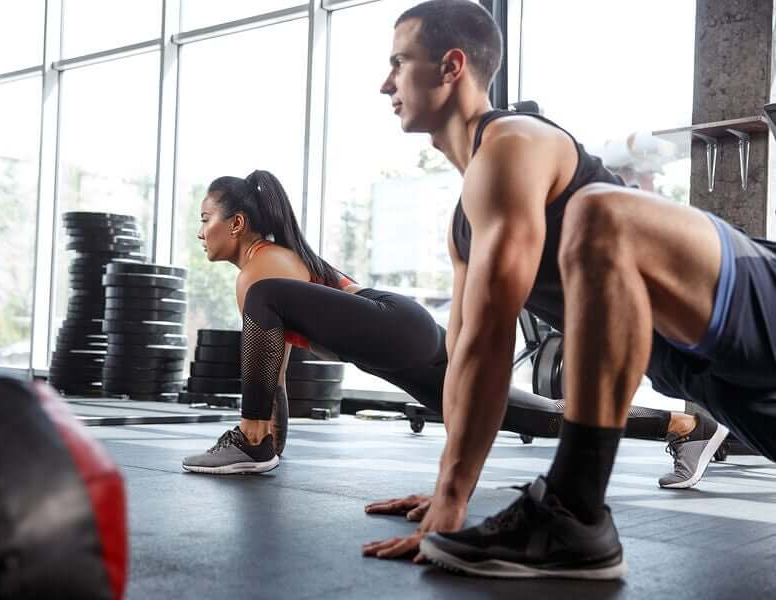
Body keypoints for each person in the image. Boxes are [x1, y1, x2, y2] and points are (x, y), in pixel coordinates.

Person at [362, 0, 775, 579]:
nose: (386, 84)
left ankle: (575, 512)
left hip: (760, 301)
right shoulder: (465, 222)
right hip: (712, 378)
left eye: (398, 63)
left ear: (451, 66)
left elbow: (488, 340)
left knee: (602, 213)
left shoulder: (514, 144)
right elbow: (462, 358)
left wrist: (454, 502)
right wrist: (448, 490)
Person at [180, 170, 723, 488]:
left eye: (206, 218)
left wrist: (257, 442)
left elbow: (270, 367)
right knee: (533, 415)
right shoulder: (265, 271)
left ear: (237, 222)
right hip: (405, 345)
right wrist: (269, 442)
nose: (200, 231)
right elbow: (270, 370)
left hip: (395, 325)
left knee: (264, 301)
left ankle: (249, 443)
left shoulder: (262, 270)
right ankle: (686, 428)